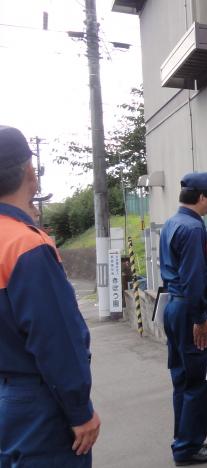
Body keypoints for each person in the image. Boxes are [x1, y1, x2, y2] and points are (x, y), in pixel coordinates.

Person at [0, 125, 100, 467]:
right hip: (36, 402)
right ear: (30, 172)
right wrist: (80, 410)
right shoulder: (25, 244)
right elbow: (56, 337)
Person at [158, 172, 207, 466]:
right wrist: (201, 317)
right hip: (190, 310)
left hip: (174, 307)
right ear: (202, 197)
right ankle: (187, 448)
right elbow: (195, 277)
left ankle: (187, 437)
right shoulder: (195, 229)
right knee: (200, 380)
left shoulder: (172, 222)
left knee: (182, 378)